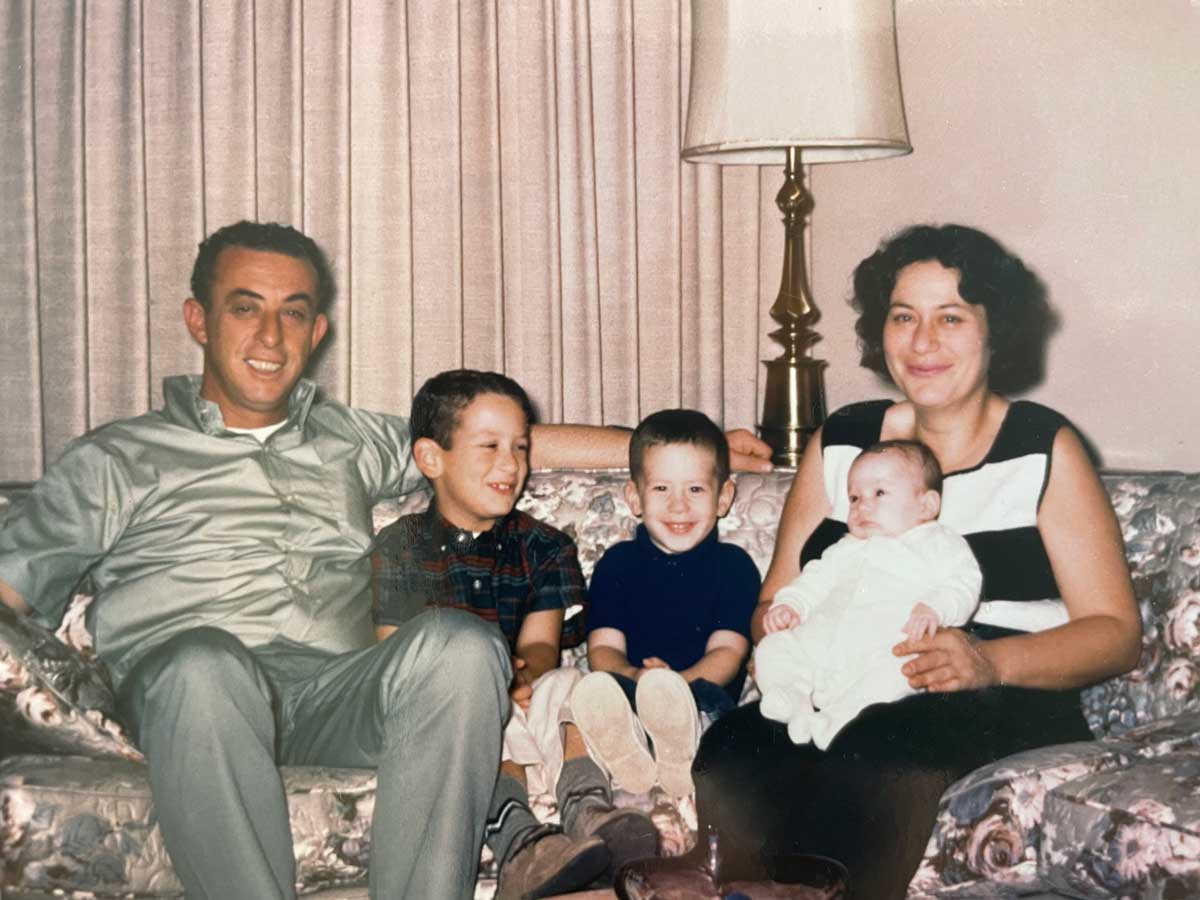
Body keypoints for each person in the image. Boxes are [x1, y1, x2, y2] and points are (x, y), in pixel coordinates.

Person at [0, 219, 773, 900]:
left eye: (292, 312)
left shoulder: (345, 439)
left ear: (317, 329)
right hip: (190, 699)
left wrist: (676, 448)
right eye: (245, 307)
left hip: (329, 694)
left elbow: (494, 441)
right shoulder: (112, 459)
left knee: (461, 644)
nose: (270, 336)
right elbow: (9, 597)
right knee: (206, 664)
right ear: (197, 319)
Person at [691, 223, 1142, 900]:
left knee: (880, 751)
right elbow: (775, 597)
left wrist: (988, 662)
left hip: (997, 693)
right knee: (733, 748)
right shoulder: (843, 440)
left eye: (950, 317)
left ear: (996, 330)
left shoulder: (1041, 446)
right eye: (904, 317)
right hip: (845, 671)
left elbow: (1116, 633)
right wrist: (782, 630)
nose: (923, 341)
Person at [371, 369, 657, 900]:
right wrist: (488, 691)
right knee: (471, 713)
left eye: (520, 447)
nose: (511, 464)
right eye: (490, 447)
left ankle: (589, 810)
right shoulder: (399, 546)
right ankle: (521, 844)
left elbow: (541, 644)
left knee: (574, 685)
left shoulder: (544, 546)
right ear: (431, 458)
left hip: (525, 692)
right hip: (441, 710)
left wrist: (523, 676)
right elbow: (392, 652)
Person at [572, 409, 760, 800]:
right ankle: (632, 757)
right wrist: (637, 678)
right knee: (593, 692)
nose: (678, 506)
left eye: (695, 490)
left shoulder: (734, 566)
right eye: (661, 489)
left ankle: (679, 757)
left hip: (702, 697)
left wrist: (674, 689)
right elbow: (603, 649)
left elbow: (727, 654)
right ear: (634, 498)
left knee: (720, 714)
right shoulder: (617, 564)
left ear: (723, 497)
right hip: (633, 691)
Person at [755, 440, 981, 749]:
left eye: (880, 493)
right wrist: (790, 605)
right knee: (774, 647)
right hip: (819, 650)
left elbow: (964, 582)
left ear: (926, 506)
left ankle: (838, 720)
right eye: (854, 497)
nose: (862, 505)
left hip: (882, 653)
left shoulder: (938, 543)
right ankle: (791, 698)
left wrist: (935, 608)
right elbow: (813, 581)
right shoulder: (844, 548)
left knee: (903, 673)